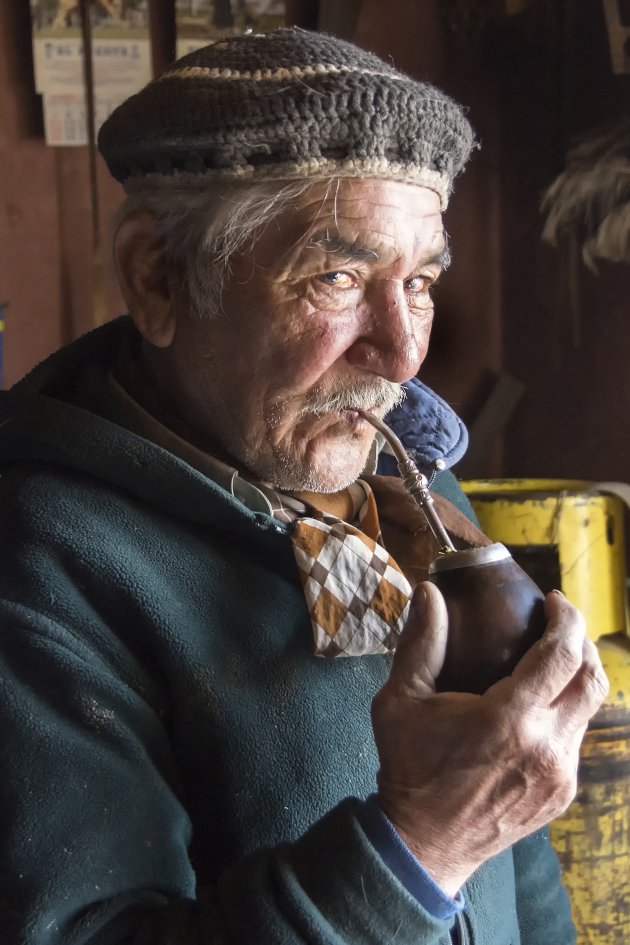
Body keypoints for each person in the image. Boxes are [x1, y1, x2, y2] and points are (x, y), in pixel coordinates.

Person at [0, 28, 608, 945]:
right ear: (158, 276)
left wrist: (487, 809)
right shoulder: (38, 564)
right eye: (337, 277)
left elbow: (519, 866)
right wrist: (421, 846)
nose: (402, 354)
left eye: (422, 281)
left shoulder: (416, 487)